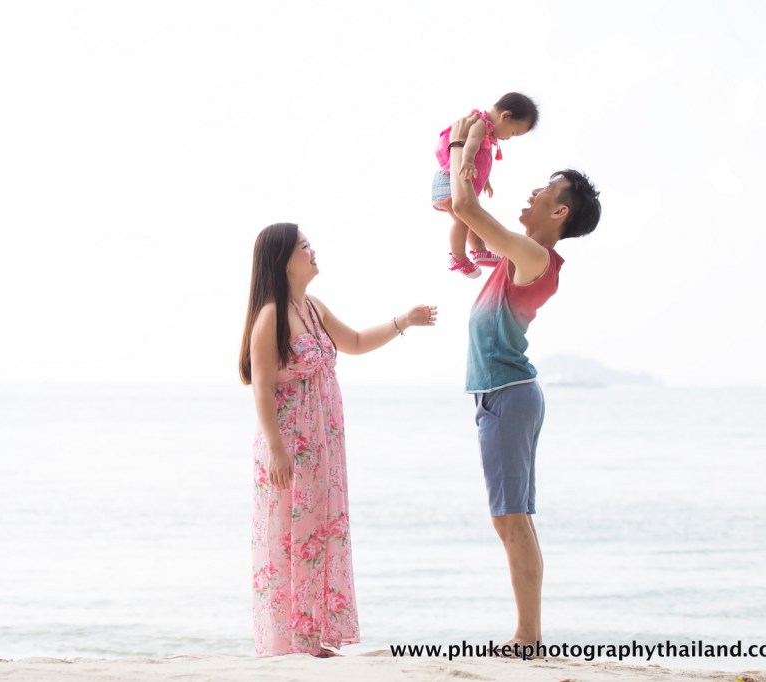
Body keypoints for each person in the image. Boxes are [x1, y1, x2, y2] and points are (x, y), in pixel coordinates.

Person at [239, 223, 436, 657]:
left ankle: (313, 637)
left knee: (319, 533)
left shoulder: (314, 308)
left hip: (323, 445)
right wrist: (276, 449)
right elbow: (262, 387)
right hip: (290, 445)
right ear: (283, 260)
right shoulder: (271, 315)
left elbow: (357, 342)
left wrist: (404, 320)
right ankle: (287, 642)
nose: (313, 251)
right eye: (304, 246)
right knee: (290, 537)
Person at [444, 115, 601, 651]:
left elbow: (465, 207)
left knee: (511, 519)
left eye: (546, 190)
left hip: (508, 395)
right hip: (504, 396)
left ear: (560, 212)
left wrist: (462, 146)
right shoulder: (519, 253)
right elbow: (464, 221)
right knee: (513, 519)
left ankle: (527, 637)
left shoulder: (534, 256)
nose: (533, 192)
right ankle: (528, 634)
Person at [432, 92, 539, 279]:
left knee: (472, 218)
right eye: (513, 133)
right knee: (463, 220)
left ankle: (479, 251)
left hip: (458, 180)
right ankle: (457, 257)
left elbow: (481, 160)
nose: (508, 138)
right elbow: (471, 143)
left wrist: (485, 180)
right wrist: (467, 161)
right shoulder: (480, 123)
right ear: (505, 116)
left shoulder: (488, 131)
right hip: (448, 180)